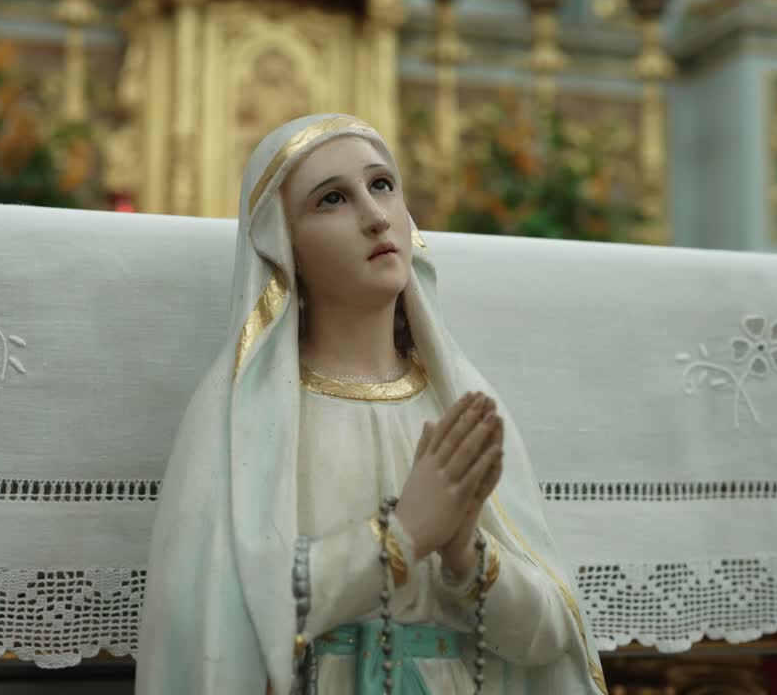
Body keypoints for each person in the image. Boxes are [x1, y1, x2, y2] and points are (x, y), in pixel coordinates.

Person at [136, 113, 606, 694]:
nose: (375, 216)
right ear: (284, 246)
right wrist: (400, 537)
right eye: (332, 199)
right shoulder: (241, 417)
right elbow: (216, 620)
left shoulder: (458, 402)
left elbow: (550, 637)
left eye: (382, 185)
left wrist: (465, 554)